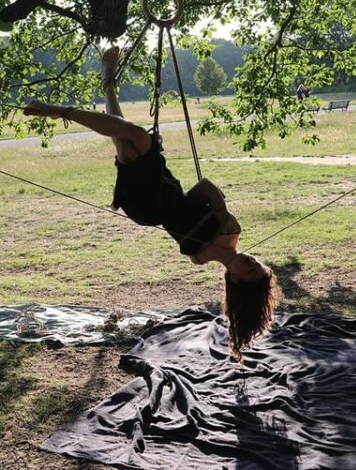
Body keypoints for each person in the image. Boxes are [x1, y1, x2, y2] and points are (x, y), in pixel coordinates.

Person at [24, 45, 280, 360]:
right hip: (165, 186)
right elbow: (204, 186)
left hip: (146, 207)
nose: (252, 263)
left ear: (236, 280)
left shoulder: (200, 260)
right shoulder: (230, 229)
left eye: (250, 271)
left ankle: (66, 107)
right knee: (126, 136)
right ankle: (103, 85)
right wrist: (214, 207)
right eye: (258, 264)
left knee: (131, 136)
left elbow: (179, 216)